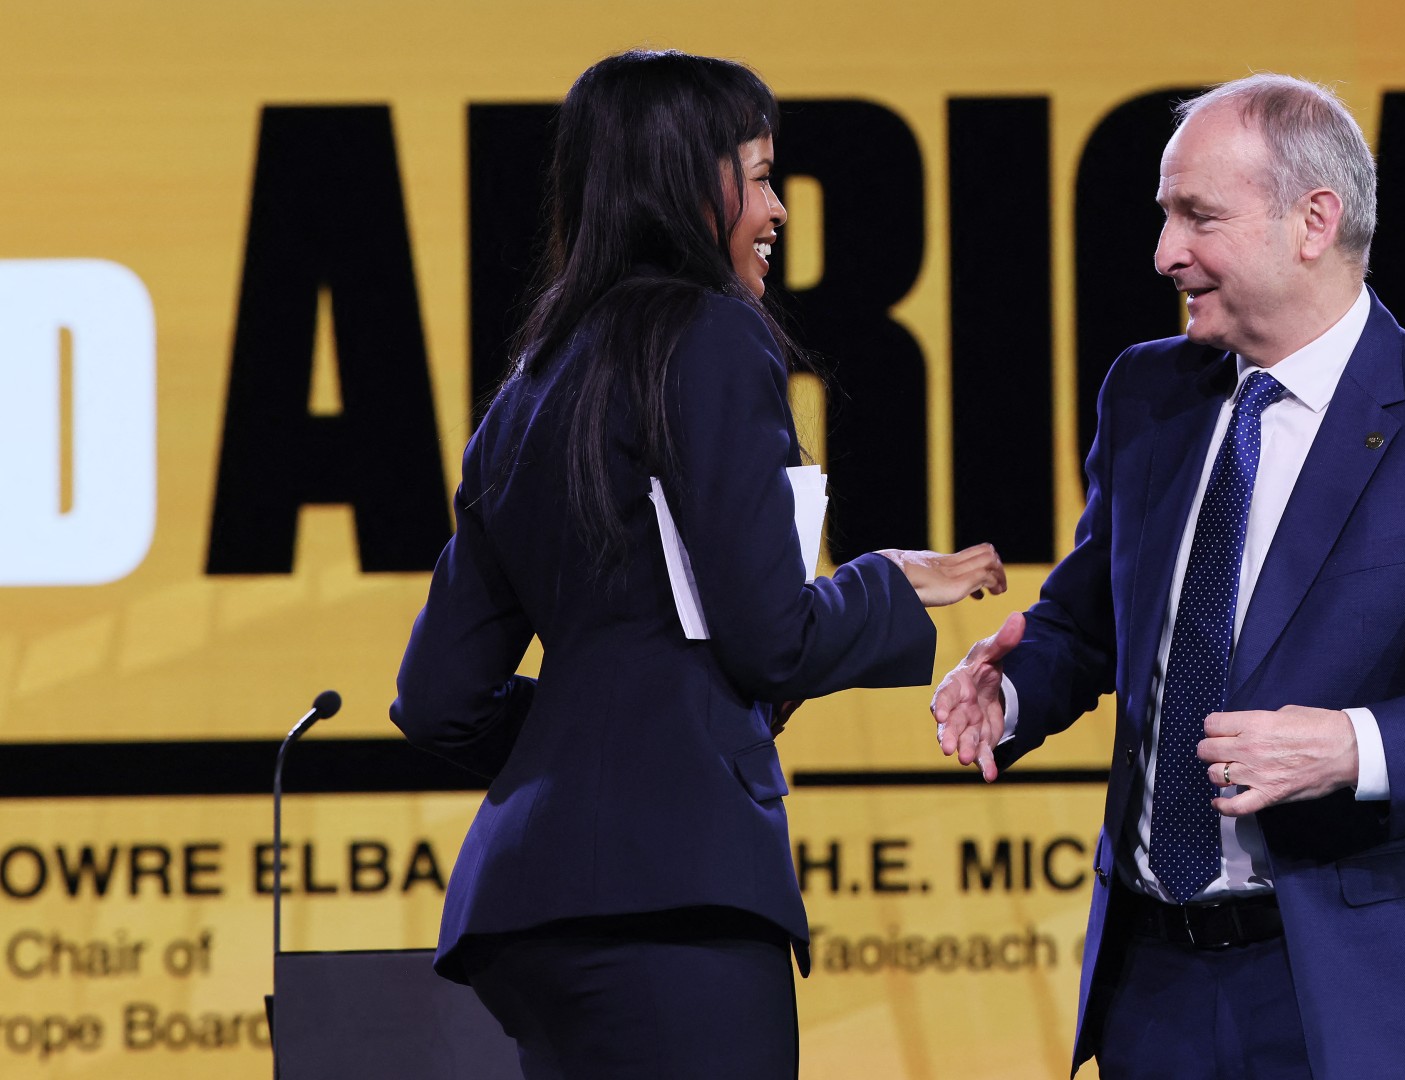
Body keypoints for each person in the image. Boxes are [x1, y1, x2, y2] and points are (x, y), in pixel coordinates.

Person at [931, 73, 1405, 1079]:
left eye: (1197, 216)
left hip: (1365, 1001)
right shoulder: (1147, 394)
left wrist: (1356, 747)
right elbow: (1091, 622)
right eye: (1167, 214)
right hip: (1155, 991)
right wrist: (1009, 690)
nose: (1166, 252)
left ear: (1314, 221)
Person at [390, 49, 1005, 1079]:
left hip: (530, 918)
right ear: (690, 180)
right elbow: (770, 640)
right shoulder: (713, 336)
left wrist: (589, 749)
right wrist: (888, 582)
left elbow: (436, 697)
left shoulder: (527, 391)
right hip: (676, 908)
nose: (778, 209)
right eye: (761, 175)